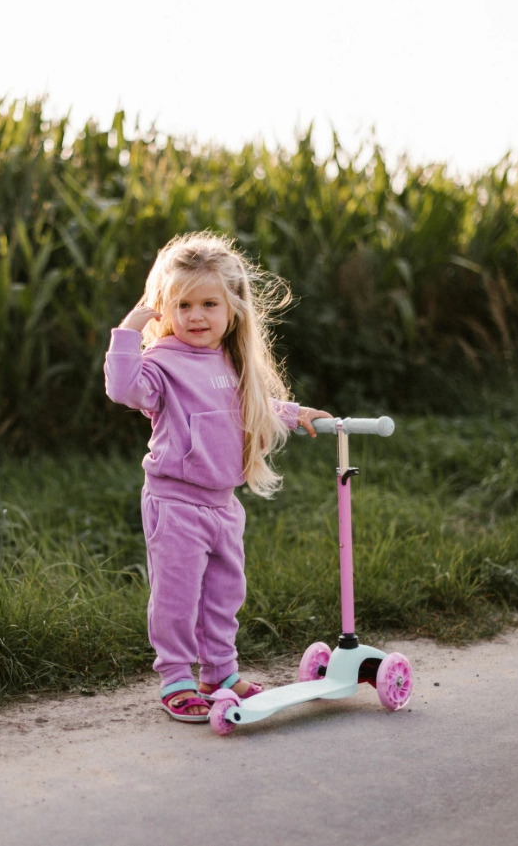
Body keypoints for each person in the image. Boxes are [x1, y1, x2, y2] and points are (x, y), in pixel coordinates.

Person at [104, 232, 331, 722]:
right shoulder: (161, 362)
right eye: (183, 304)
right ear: (163, 308)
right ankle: (177, 678)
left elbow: (253, 407)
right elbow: (123, 389)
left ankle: (220, 672)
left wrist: (293, 413)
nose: (196, 316)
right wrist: (129, 329)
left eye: (209, 304)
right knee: (177, 595)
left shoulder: (231, 363)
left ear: (233, 309)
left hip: (224, 504)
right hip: (176, 502)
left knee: (225, 593)